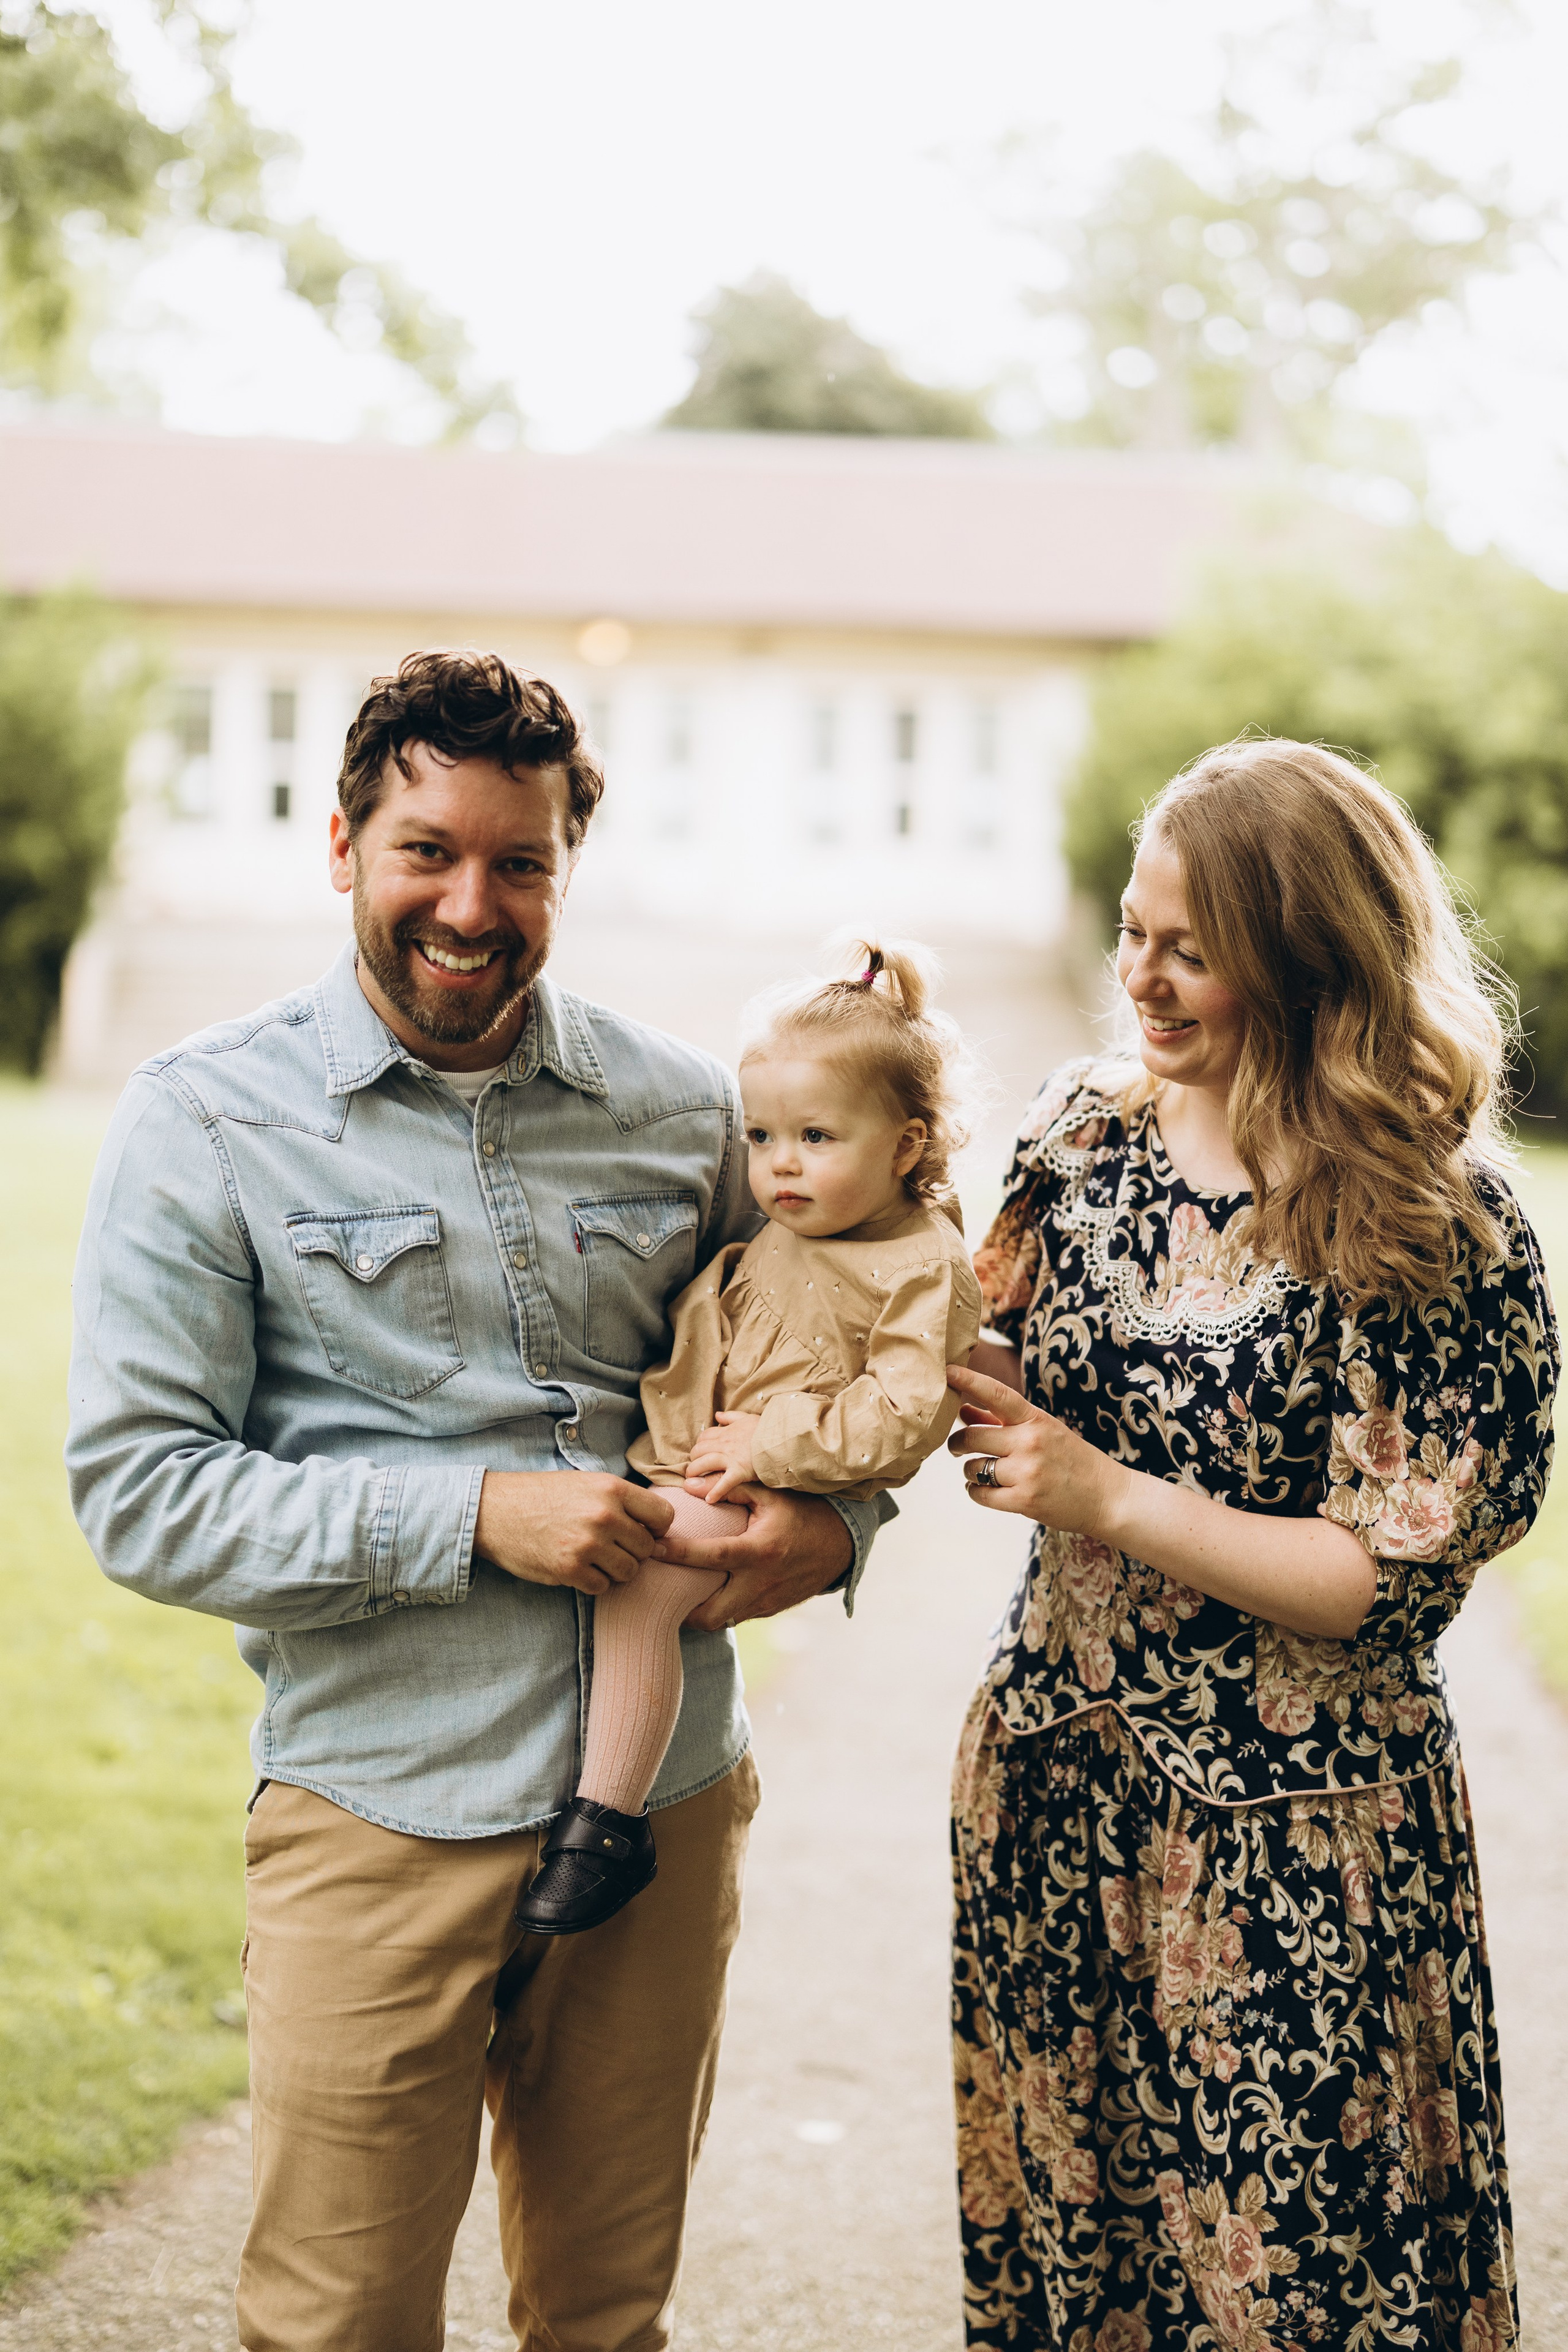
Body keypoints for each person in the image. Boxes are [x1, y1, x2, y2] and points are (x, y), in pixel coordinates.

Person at [66, 649, 892, 2352]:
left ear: (569, 869)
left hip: (658, 1805)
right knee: (338, 2321)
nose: (471, 903)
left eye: (520, 863)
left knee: (606, 2317)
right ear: (343, 847)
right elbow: (141, 1493)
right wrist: (468, 1518)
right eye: (426, 850)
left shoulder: (686, 1110)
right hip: (377, 1808)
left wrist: (832, 1534)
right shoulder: (204, 1120)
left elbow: (824, 1343)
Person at [943, 738, 1556, 2352]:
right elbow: (991, 1353)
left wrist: (1106, 1496)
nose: (1137, 974)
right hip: (1058, 1796)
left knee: (1309, 2295)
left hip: (1304, 1855)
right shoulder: (1081, 1137)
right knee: (1092, 2274)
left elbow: (1385, 1579)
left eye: (1189, 947)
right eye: (1133, 930)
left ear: (1303, 961)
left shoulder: (1438, 1221)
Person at [519, 942, 984, 1932]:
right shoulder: (800, 1218)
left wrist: (773, 1446)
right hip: (704, 1458)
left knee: (643, 1589)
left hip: (771, 1477)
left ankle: (608, 1820)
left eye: (817, 1136)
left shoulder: (916, 1261)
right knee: (610, 1570)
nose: (779, 1164)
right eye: (763, 1133)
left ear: (908, 1145)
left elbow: (906, 1409)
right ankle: (589, 1789)